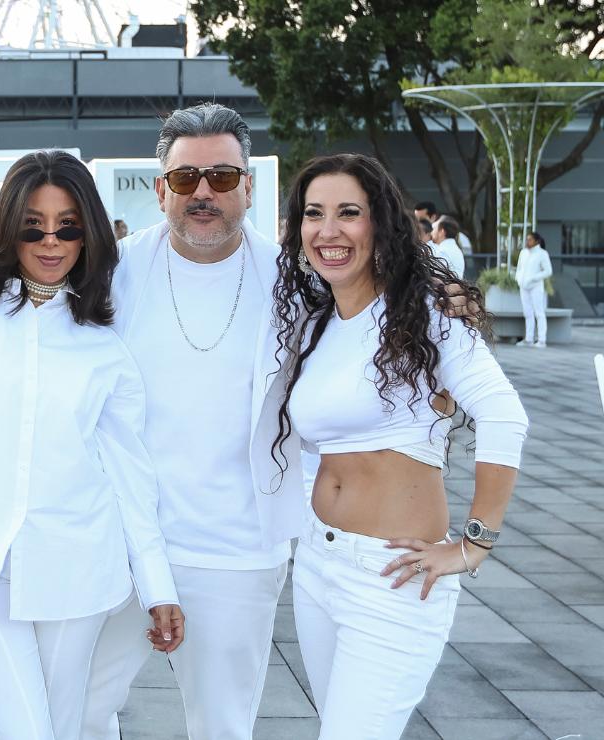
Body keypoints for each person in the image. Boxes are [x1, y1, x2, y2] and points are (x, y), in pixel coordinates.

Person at [0, 150, 184, 740]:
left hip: (79, 564)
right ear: (8, 230)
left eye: (67, 227)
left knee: (65, 728)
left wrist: (157, 586)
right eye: (33, 227)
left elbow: (129, 473)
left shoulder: (104, 343)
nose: (51, 242)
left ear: (88, 233)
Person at [275, 153, 527, 739]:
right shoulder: (318, 324)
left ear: (380, 223)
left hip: (390, 573)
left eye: (348, 213)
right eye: (314, 214)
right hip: (317, 563)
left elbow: (504, 416)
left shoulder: (426, 316)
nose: (328, 230)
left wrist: (473, 545)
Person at [83, 102, 305, 740]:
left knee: (221, 727)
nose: (203, 193)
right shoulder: (111, 272)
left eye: (223, 178)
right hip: (121, 541)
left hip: (236, 550)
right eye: (186, 179)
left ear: (248, 187)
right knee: (73, 710)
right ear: (161, 189)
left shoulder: (295, 282)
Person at [515, 231, 552, 348]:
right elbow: (519, 268)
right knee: (528, 313)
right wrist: (518, 279)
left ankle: (542, 340)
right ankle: (529, 339)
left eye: (530, 239)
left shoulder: (542, 253)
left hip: (536, 287)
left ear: (537, 241)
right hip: (523, 287)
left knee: (539, 312)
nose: (527, 242)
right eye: (527, 239)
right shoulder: (523, 252)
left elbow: (548, 271)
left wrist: (533, 278)